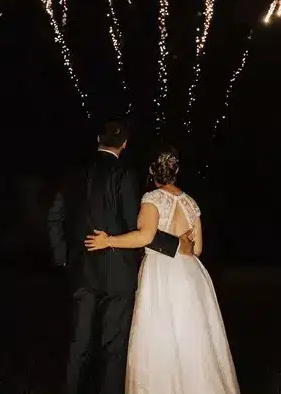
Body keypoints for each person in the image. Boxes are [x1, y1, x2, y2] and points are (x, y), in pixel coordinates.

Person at [48, 121, 194, 394]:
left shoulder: (73, 173)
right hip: (119, 274)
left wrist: (64, 260)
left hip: (82, 271)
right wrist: (176, 245)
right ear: (124, 144)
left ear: (97, 139)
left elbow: (55, 217)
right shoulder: (125, 174)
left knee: (78, 345)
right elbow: (136, 230)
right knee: (113, 350)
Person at [85, 147, 240, 394]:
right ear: (176, 172)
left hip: (161, 273)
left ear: (152, 172)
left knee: (160, 334)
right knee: (193, 337)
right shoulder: (191, 203)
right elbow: (196, 248)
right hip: (191, 275)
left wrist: (108, 241)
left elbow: (145, 236)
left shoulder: (152, 199)